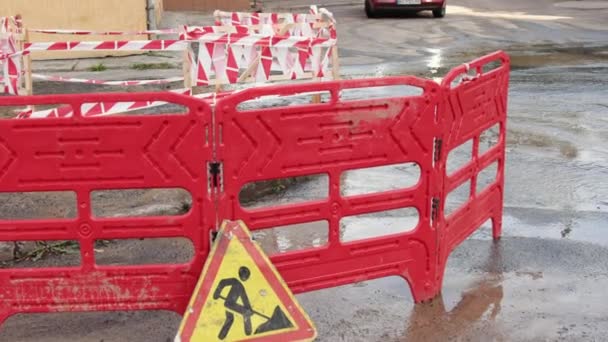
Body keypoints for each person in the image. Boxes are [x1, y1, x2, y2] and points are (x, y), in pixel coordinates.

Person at [213, 266, 254, 340]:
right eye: (244, 276)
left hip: (230, 305)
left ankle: (221, 337)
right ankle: (248, 329)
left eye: (246, 276)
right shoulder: (235, 281)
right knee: (245, 312)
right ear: (240, 275)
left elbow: (245, 299)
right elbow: (222, 282)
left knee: (230, 319)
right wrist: (217, 292)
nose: (245, 278)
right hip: (229, 304)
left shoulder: (241, 287)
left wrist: (249, 309)